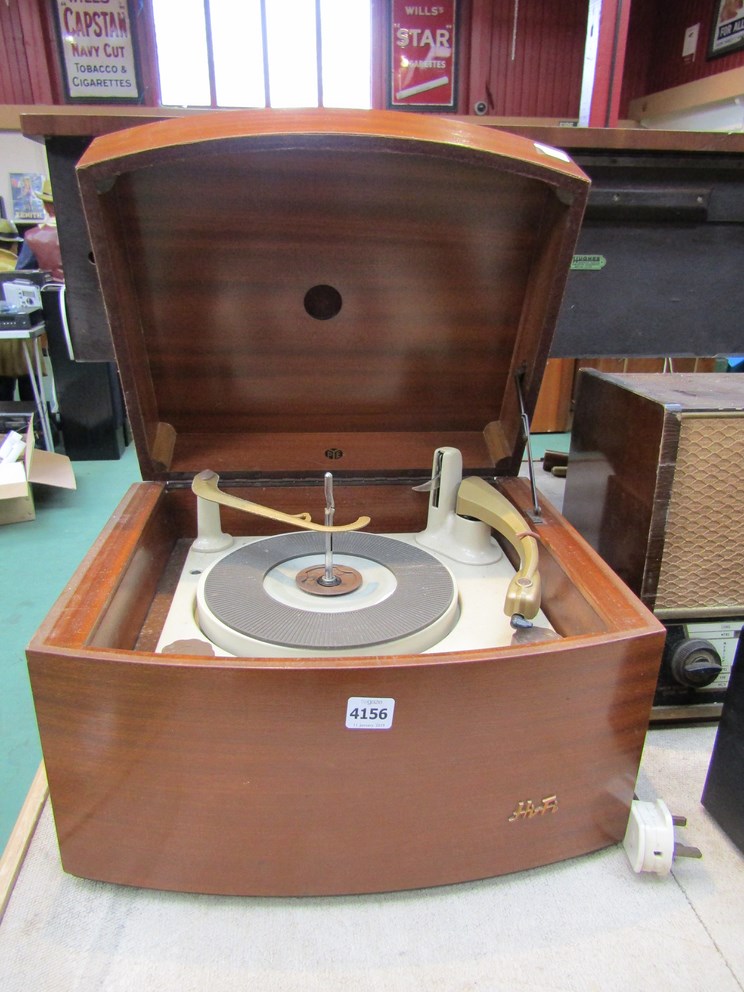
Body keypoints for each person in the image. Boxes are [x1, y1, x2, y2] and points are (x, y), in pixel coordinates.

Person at [0, 218, 34, 401]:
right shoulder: (18, 267)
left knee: (3, 392)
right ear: (13, 244)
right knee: (30, 387)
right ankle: (34, 426)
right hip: (22, 339)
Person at [17, 179, 64, 281]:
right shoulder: (85, 233)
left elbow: (21, 274)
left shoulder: (32, 236)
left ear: (45, 206)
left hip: (49, 294)